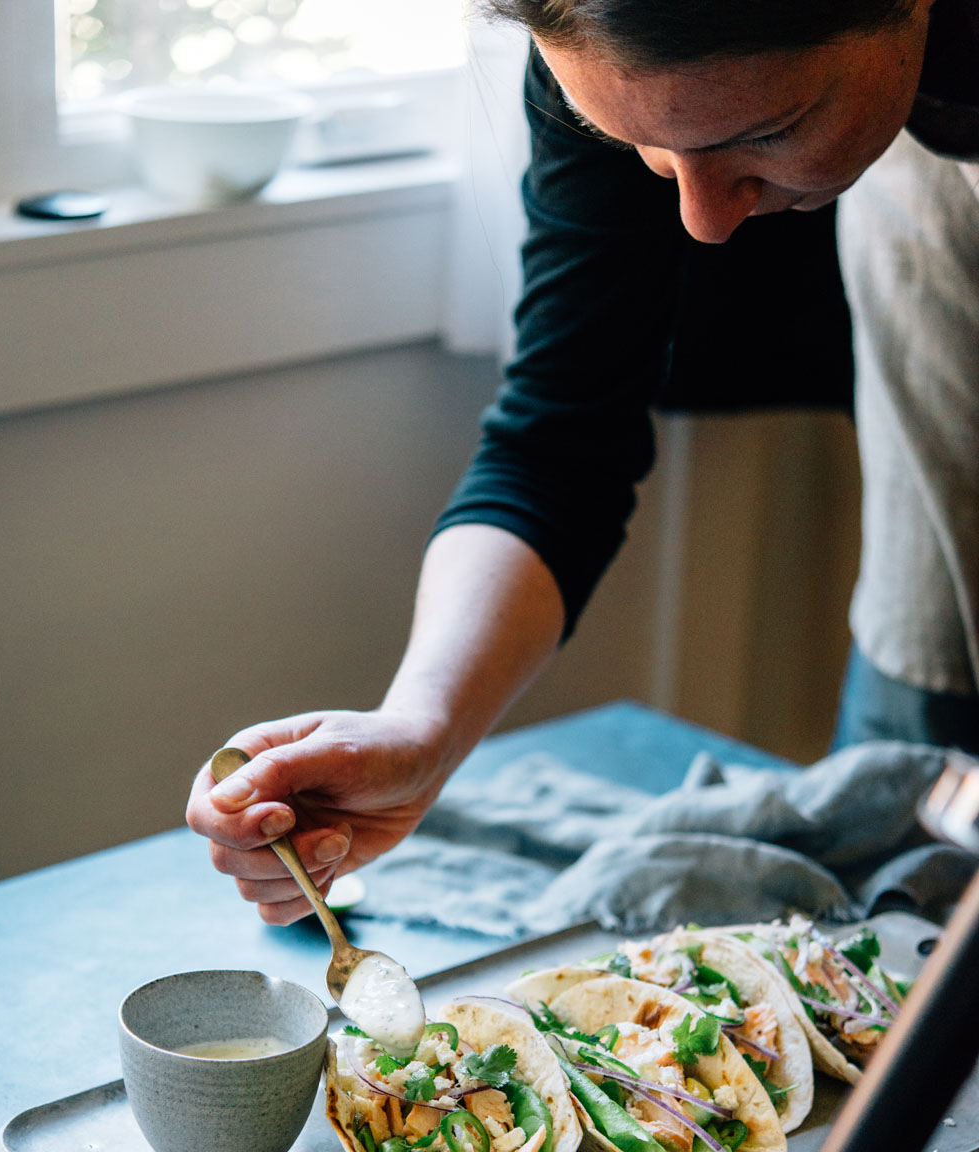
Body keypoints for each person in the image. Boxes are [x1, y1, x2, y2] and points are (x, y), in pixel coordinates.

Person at [187, 0, 979, 925]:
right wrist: (418, 730)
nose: (703, 221)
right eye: (638, 144)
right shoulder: (611, 36)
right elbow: (559, 438)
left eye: (770, 129)